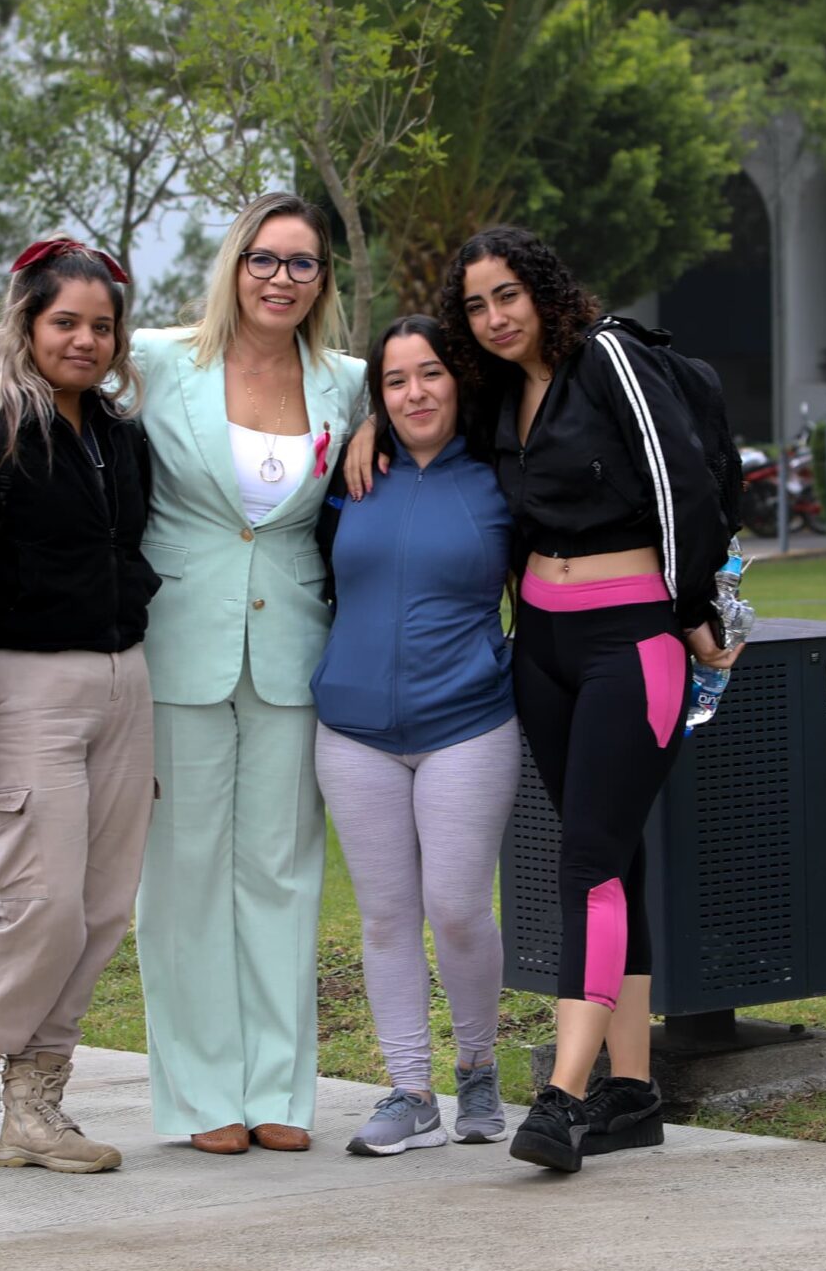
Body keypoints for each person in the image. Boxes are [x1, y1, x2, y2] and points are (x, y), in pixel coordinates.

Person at [441, 225, 740, 1173]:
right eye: (476, 305)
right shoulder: (499, 393)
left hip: (632, 642)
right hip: (542, 644)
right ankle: (632, 1090)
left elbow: (680, 481)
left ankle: (564, 1094)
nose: (495, 317)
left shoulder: (608, 357)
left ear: (543, 289)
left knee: (588, 861)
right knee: (610, 854)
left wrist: (693, 611)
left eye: (507, 294)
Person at [0, 236, 159, 1174]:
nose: (85, 340)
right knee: (41, 901)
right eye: (66, 322)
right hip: (20, 692)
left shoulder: (119, 437)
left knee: (101, 908)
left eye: (102, 326)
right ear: (27, 322)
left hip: (124, 682)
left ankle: (36, 1105)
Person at [129, 192, 366, 1154]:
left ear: (322, 280)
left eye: (302, 263)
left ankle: (278, 1092)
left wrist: (375, 435)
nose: (280, 278)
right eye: (263, 258)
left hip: (294, 652)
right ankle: (201, 1098)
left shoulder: (349, 383)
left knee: (283, 872)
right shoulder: (153, 360)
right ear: (235, 265)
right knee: (181, 875)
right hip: (176, 643)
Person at [309, 315, 519, 1156]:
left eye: (429, 372)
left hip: (468, 721)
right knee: (387, 916)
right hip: (352, 730)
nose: (414, 392)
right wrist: (365, 431)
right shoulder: (352, 472)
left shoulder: (501, 473)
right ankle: (409, 1090)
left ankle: (477, 1066)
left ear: (459, 378)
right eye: (394, 381)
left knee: (458, 909)